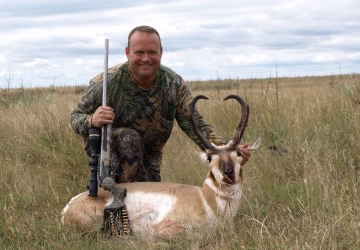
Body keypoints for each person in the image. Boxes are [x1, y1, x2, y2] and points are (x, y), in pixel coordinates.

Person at [71, 25, 251, 183]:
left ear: (161, 52)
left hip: (150, 161)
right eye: (139, 52)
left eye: (152, 52)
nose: (146, 58)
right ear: (127, 52)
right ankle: (121, 192)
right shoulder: (106, 82)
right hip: (110, 156)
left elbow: (195, 124)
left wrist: (228, 149)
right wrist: (92, 120)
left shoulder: (174, 84)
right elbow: (76, 117)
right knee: (129, 138)